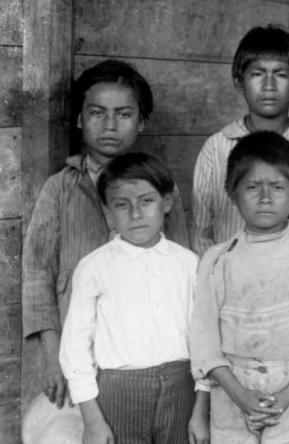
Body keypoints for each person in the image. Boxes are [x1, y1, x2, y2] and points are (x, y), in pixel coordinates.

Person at [21, 60, 190, 411]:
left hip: (142, 364)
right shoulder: (59, 189)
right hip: (73, 360)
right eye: (97, 113)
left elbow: (181, 269)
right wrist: (55, 359)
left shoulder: (160, 188)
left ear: (142, 121)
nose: (110, 125)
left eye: (124, 114)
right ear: (81, 119)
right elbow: (37, 279)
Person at [190, 132, 289, 443]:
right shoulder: (216, 260)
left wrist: (285, 396)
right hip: (230, 396)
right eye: (253, 187)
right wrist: (240, 394)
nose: (266, 198)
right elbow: (204, 341)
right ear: (232, 193)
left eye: (278, 187)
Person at [59, 153, 208, 444]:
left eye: (146, 201)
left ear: (166, 202)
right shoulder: (94, 267)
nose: (136, 214)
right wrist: (92, 420)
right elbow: (75, 346)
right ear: (107, 210)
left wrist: (201, 410)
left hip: (182, 389)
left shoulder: (189, 264)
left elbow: (205, 343)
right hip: (117, 394)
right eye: (122, 205)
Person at [192, 25, 289, 256]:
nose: (269, 86)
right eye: (257, 74)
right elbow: (201, 233)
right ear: (239, 80)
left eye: (280, 74)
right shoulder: (217, 147)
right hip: (231, 280)